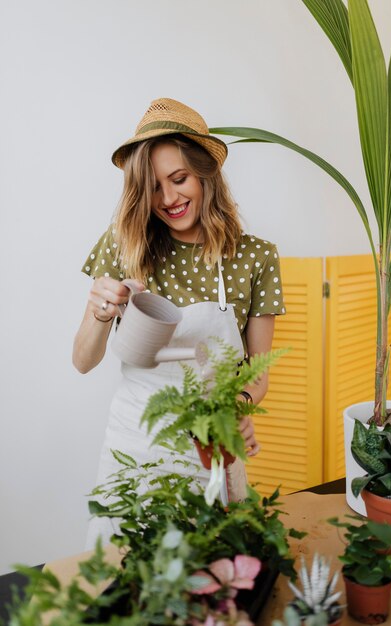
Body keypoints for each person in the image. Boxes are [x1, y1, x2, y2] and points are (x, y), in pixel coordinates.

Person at [73, 98, 286, 547]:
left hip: (207, 442)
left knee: (210, 571)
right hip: (132, 440)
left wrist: (237, 408)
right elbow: (83, 361)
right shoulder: (124, 244)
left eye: (179, 179)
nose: (168, 199)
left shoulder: (256, 257)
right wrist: (98, 311)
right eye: (153, 187)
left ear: (206, 173)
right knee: (121, 572)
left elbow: (257, 372)